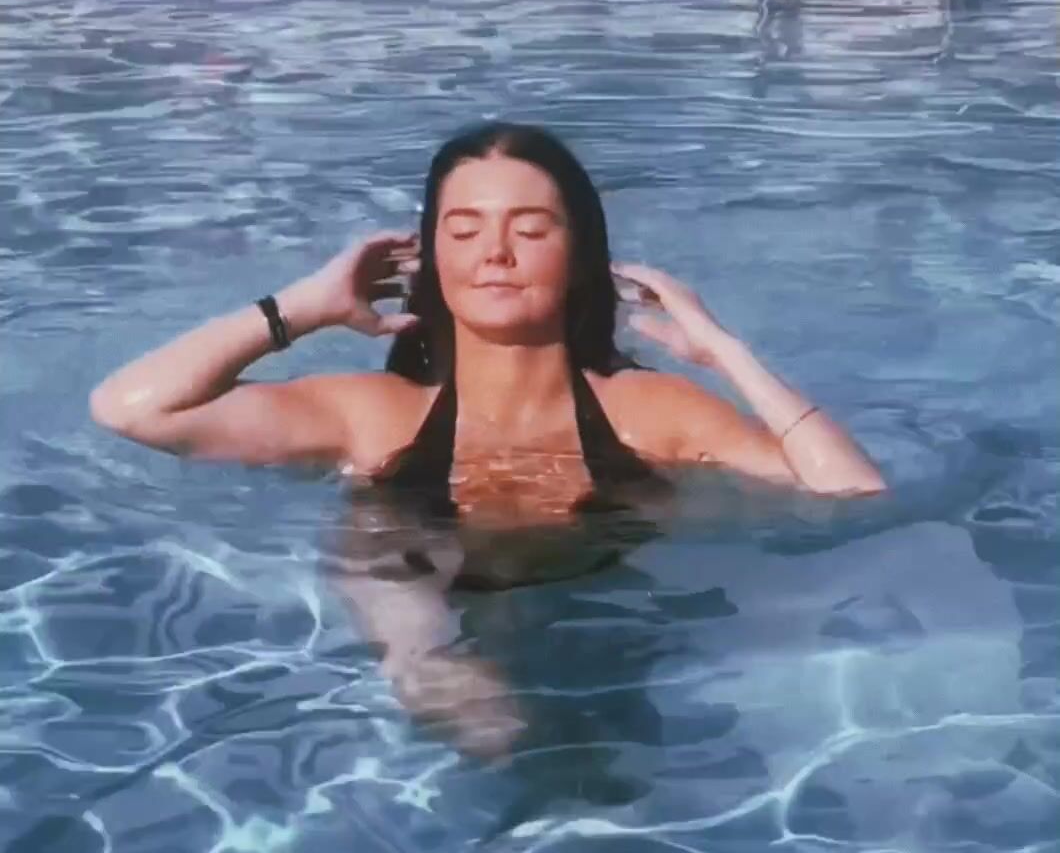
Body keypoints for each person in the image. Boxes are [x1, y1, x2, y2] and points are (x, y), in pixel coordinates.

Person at [91, 122, 885, 751]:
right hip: (437, 653)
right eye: (464, 231)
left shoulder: (651, 412)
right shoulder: (374, 415)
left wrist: (722, 350)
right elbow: (132, 409)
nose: (495, 255)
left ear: (580, 257)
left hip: (612, 638)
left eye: (530, 230)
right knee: (397, 559)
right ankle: (421, 664)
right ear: (431, 256)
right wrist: (300, 308)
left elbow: (850, 492)